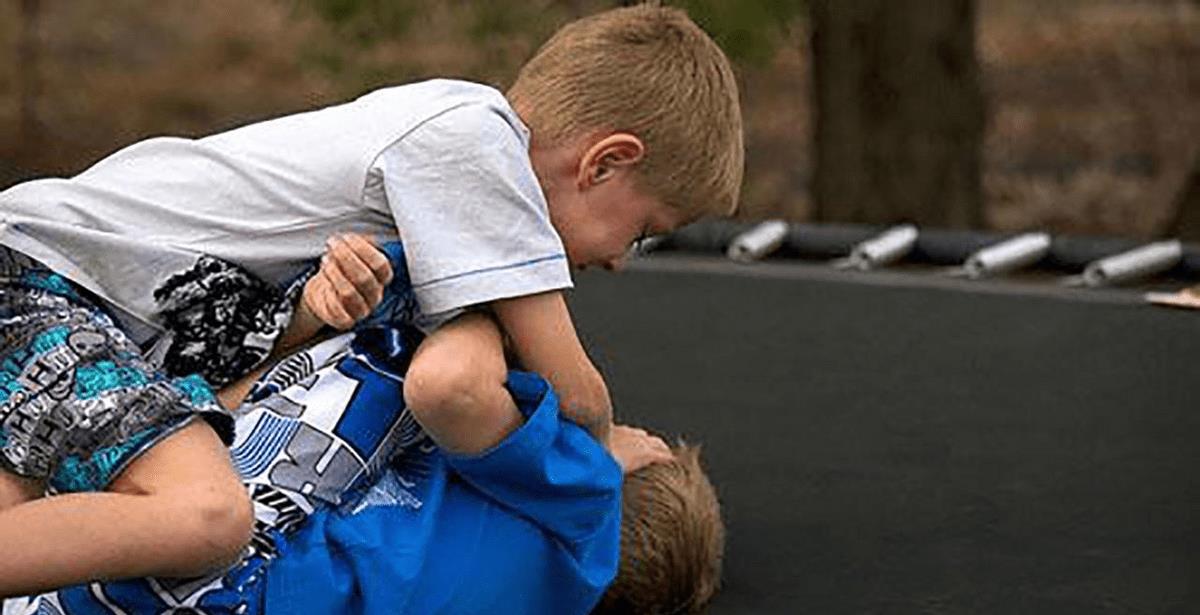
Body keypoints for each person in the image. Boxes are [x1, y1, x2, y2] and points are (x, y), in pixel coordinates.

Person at [0, 3, 743, 593]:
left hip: (81, 317)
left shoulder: (428, 227)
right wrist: (598, 448)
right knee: (206, 513)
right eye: (643, 230)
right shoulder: (473, 141)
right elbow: (569, 383)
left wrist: (317, 312)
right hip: (44, 275)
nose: (617, 261)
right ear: (607, 161)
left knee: (35, 528)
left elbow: (234, 348)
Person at [3, 254, 725, 614]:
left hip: (227, 565)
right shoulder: (511, 562)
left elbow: (449, 381)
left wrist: (481, 280)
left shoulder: (585, 507)